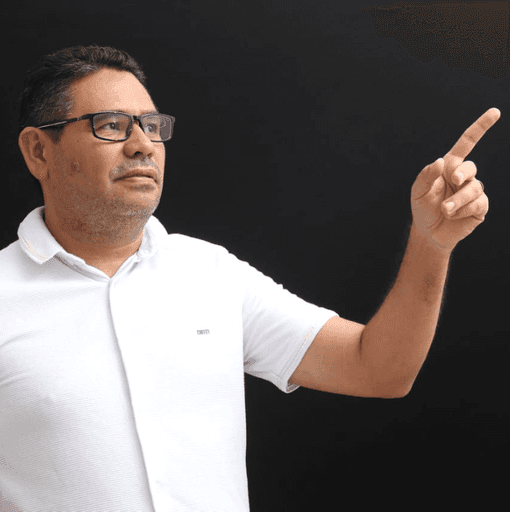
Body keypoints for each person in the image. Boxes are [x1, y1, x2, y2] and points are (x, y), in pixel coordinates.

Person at [0, 44, 499, 512]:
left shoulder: (211, 274)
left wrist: (431, 245)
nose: (142, 145)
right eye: (111, 125)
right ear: (39, 151)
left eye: (151, 126)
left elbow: (379, 369)